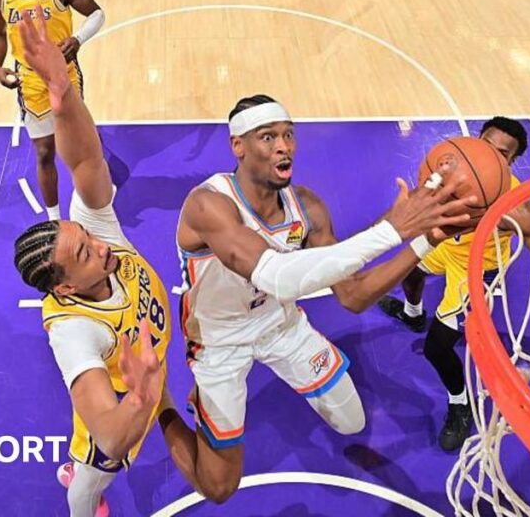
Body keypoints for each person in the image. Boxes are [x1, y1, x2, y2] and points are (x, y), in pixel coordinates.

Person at [170, 93, 477, 503]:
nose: (284, 146)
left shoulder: (308, 207)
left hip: (280, 325)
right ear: (237, 146)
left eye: (288, 135)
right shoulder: (208, 205)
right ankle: (162, 405)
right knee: (220, 488)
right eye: (268, 137)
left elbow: (351, 295)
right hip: (218, 339)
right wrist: (391, 230)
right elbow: (276, 276)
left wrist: (422, 242)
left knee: (352, 422)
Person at [377, 117, 530, 452]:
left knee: (437, 347)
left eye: (502, 154)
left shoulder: (516, 209)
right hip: (445, 247)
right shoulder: (454, 164)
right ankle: (412, 314)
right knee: (410, 272)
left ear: (511, 162)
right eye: (486, 145)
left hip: (476, 269)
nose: (489, 156)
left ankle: (459, 402)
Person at [10, 5, 172, 517]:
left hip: (147, 372)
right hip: (125, 402)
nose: (102, 244)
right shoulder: (74, 332)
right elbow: (109, 432)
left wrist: (64, 96)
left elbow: (85, 161)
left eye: (85, 236)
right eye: (84, 252)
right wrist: (143, 395)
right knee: (90, 476)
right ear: (67, 290)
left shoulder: (93, 235)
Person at [0, 0, 105, 221]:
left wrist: (78, 39)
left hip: (66, 75)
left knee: (80, 148)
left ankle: (92, 201)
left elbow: (97, 13)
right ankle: (54, 220)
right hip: (30, 81)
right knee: (44, 152)